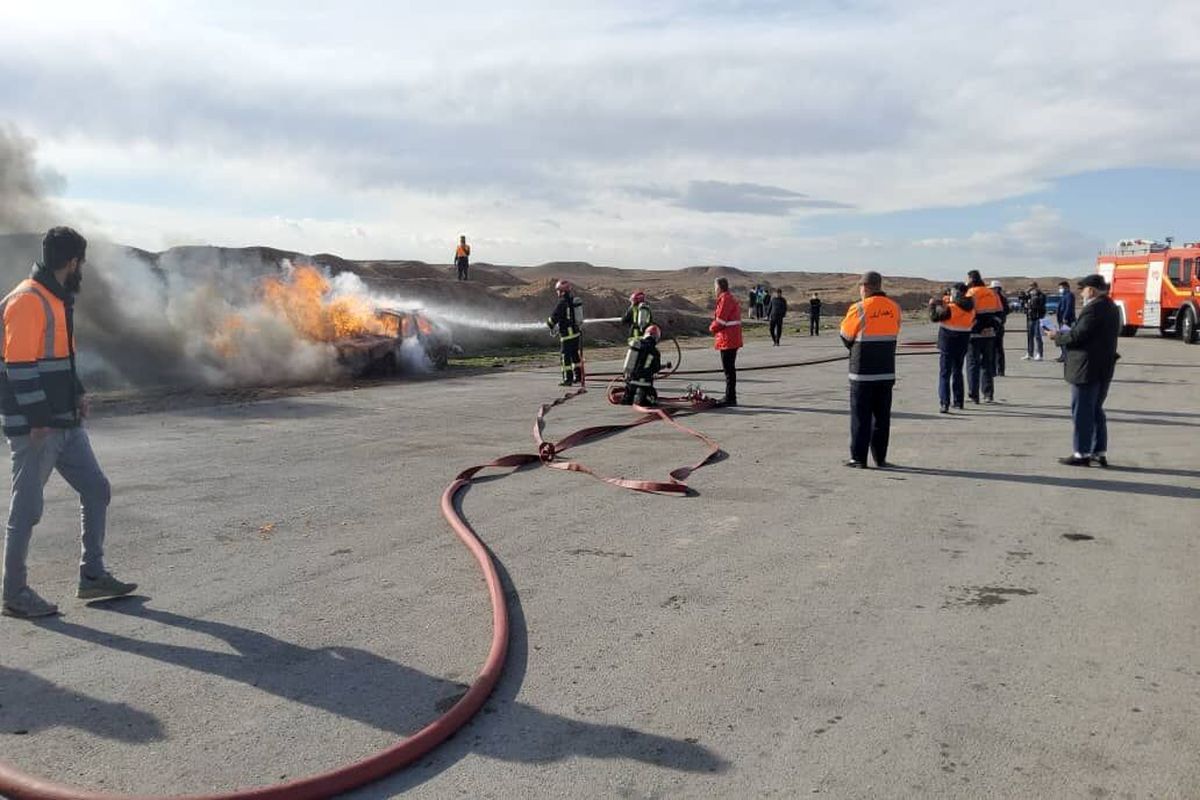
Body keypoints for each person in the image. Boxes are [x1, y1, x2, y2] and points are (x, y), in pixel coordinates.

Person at [1, 227, 136, 619]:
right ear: (73, 261)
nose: (83, 268)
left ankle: (92, 575)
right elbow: (18, 368)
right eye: (83, 261)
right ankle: (14, 593)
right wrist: (40, 419)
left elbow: (62, 358)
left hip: (66, 422)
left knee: (96, 489)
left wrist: (76, 394)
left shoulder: (57, 299)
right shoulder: (28, 300)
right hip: (37, 428)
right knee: (26, 510)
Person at [1046, 275, 1120, 466]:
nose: (1081, 293)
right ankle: (1098, 451)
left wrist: (1058, 336)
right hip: (1103, 366)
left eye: (1083, 289)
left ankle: (1082, 453)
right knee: (1096, 410)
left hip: (1087, 368)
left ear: (1092, 290)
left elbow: (1079, 335)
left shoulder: (1094, 308)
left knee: (1082, 412)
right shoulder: (1111, 306)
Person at [839, 271, 901, 468]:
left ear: (865, 287)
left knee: (861, 416)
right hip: (886, 370)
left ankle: (858, 457)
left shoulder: (858, 308)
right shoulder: (895, 308)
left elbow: (846, 336)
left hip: (862, 372)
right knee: (882, 417)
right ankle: (880, 457)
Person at [928, 283, 975, 413]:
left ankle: (945, 403)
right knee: (958, 371)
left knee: (945, 373)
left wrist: (933, 305)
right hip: (963, 341)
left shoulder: (951, 308)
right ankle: (958, 401)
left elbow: (934, 317)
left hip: (948, 342)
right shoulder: (971, 309)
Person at [965, 270, 1002, 404]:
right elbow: (999, 312)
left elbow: (967, 312)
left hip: (974, 333)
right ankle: (988, 394)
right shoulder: (991, 293)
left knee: (972, 364)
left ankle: (973, 394)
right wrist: (995, 326)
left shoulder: (971, 293)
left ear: (971, 279)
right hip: (990, 332)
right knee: (987, 364)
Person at [710, 277, 743, 406]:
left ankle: (730, 397)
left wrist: (711, 327)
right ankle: (730, 396)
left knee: (728, 369)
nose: (714, 290)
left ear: (719, 287)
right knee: (729, 369)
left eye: (715, 287)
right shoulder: (727, 298)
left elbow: (721, 321)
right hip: (730, 338)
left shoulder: (725, 299)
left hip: (728, 339)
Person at [546, 279, 583, 386]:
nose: (557, 292)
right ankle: (578, 376)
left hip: (567, 335)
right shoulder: (572, 300)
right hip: (575, 333)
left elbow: (553, 319)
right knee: (574, 355)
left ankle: (568, 379)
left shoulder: (562, 303)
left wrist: (549, 324)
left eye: (558, 290)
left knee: (565, 356)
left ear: (562, 291)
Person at [621, 324, 663, 407]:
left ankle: (629, 397)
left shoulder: (637, 345)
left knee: (627, 400)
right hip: (645, 384)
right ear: (656, 337)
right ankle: (644, 398)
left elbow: (629, 363)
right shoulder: (655, 351)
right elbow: (656, 368)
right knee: (651, 400)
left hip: (631, 382)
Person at [1022, 281, 1047, 361]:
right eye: (1030, 286)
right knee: (1030, 336)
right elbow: (1023, 302)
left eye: (1032, 286)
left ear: (1036, 287)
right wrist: (1025, 298)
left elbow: (1039, 305)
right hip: (1030, 317)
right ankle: (1030, 353)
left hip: (1038, 317)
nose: (1031, 288)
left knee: (1038, 336)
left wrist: (1032, 301)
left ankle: (1040, 354)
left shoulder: (1040, 295)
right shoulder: (1029, 295)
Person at [1054, 280, 1076, 362]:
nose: (1060, 289)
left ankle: (1066, 356)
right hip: (1061, 321)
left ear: (1066, 287)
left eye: (1061, 288)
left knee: (1064, 338)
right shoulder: (1064, 296)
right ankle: (1063, 355)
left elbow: (1068, 307)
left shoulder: (1069, 295)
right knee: (1062, 338)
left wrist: (1065, 318)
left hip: (1066, 321)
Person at [990, 280, 1009, 376]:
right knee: (994, 349)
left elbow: (1005, 311)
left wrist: (998, 320)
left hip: (998, 326)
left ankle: (999, 370)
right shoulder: (1000, 298)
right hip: (996, 325)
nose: (993, 290)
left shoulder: (1000, 299)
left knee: (997, 348)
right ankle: (995, 370)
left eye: (994, 288)